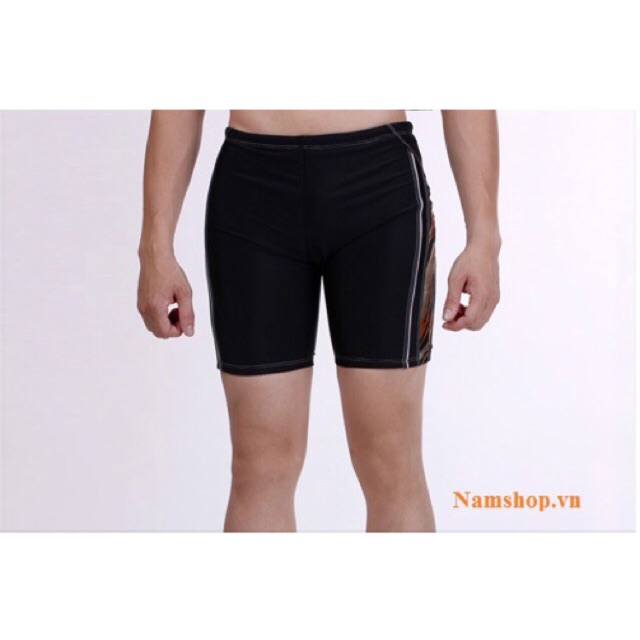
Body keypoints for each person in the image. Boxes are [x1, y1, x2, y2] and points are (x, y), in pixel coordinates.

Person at [137, 110, 501, 532]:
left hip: (380, 188)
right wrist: (154, 247)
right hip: (253, 190)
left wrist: (484, 238)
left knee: (391, 462)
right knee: (258, 464)